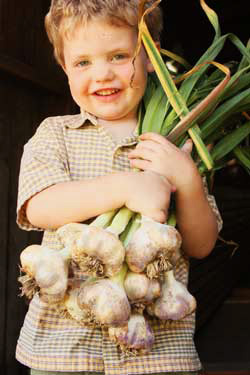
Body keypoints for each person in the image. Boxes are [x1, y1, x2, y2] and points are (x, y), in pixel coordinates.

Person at [16, 1, 222, 374]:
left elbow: (201, 244)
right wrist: (125, 187)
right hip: (63, 352)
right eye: (82, 63)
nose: (102, 74)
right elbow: (38, 208)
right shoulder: (55, 134)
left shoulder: (178, 146)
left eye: (118, 55)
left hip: (159, 356)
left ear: (151, 58)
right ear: (64, 67)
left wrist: (187, 180)